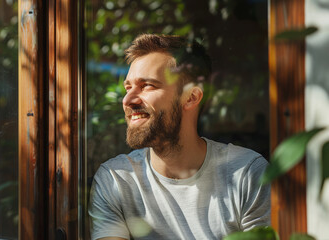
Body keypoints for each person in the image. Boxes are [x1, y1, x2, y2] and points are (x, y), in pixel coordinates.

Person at [88, 34, 271, 240]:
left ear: (191, 97)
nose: (127, 99)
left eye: (147, 85)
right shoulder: (116, 180)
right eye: (128, 87)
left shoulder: (246, 173)